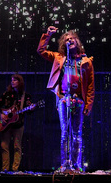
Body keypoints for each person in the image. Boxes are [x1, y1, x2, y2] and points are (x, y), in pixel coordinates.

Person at [37, 26, 95, 173]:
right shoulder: (59, 57)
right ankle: (65, 164)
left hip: (79, 101)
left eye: (72, 39)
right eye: (66, 40)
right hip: (64, 99)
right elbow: (41, 51)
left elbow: (90, 85)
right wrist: (48, 35)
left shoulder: (86, 61)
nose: (69, 41)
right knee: (64, 133)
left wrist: (89, 103)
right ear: (64, 44)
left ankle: (77, 165)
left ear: (77, 41)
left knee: (77, 134)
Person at [0, 74, 33, 171]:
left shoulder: (25, 96)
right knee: (4, 146)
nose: (12, 82)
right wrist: (1, 115)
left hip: (18, 125)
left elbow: (29, 111)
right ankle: (5, 169)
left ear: (20, 82)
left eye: (15, 80)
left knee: (17, 147)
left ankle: (15, 169)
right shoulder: (6, 94)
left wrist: (31, 108)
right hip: (6, 125)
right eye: (12, 80)